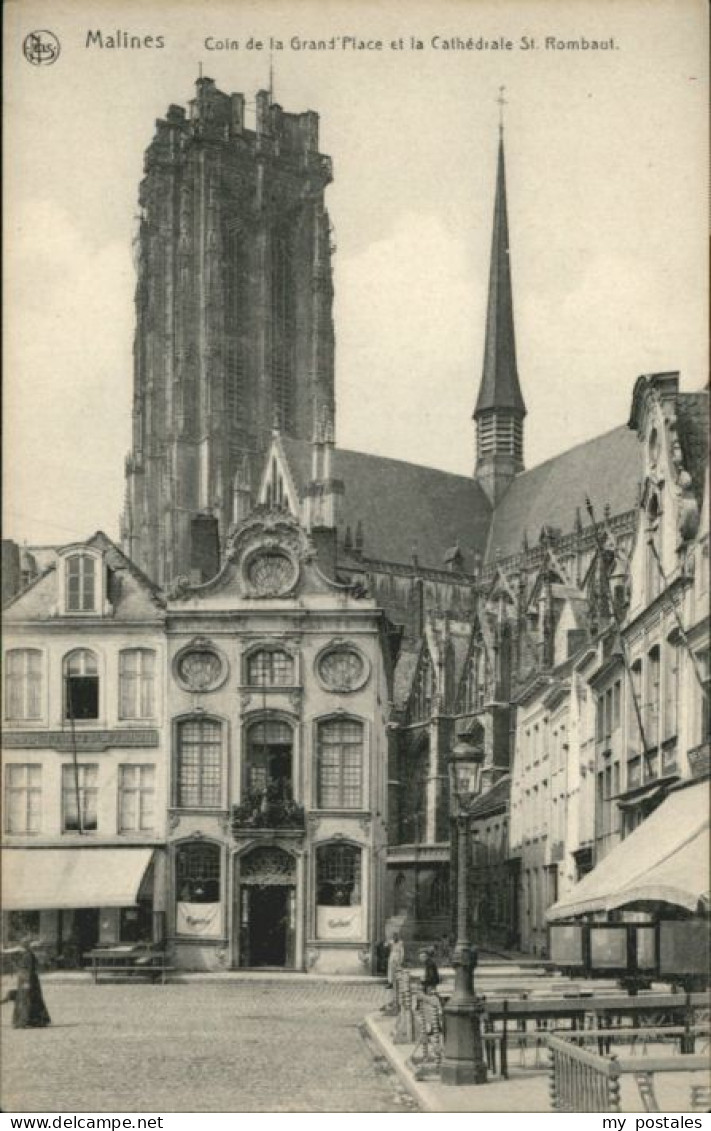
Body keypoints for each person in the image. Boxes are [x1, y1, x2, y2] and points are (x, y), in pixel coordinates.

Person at [12, 941, 51, 1029]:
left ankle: (24, 1021)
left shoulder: (28, 956)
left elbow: (29, 970)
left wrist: (26, 982)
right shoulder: (26, 955)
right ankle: (33, 1020)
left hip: (28, 980)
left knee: (27, 1000)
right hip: (26, 980)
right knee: (29, 1000)